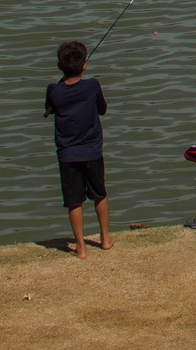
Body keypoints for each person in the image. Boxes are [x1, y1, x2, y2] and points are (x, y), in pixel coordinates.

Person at [43, 40, 111, 258]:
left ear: (59, 66)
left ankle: (81, 247)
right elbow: (102, 109)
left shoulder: (54, 90)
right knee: (99, 193)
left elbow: (50, 108)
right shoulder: (92, 86)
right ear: (84, 65)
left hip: (67, 154)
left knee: (74, 201)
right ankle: (105, 238)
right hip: (92, 150)